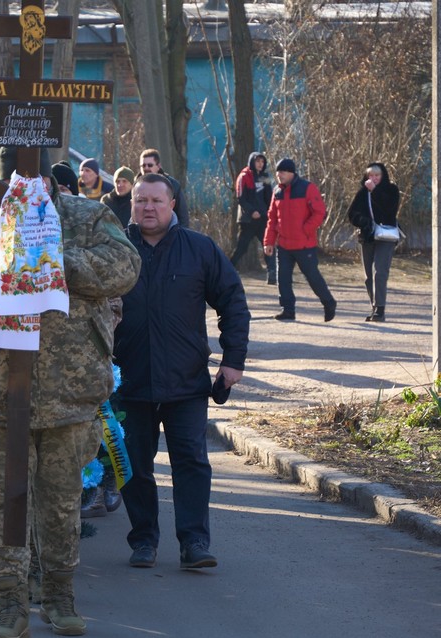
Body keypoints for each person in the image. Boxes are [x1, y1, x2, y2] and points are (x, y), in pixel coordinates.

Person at [0, 148, 141, 638]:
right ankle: (9, 605)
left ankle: (60, 594)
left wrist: (57, 261)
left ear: (50, 178)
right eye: (16, 178)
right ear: (1, 182)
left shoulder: (86, 217)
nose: (28, 186)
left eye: (36, 176)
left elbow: (125, 265)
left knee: (61, 504)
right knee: (1, 505)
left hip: (69, 390)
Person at [113, 173, 249, 571]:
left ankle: (194, 542)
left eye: (156, 200)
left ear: (173, 204)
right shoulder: (115, 250)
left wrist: (233, 360)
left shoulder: (199, 249)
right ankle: (143, 541)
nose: (148, 208)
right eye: (141, 201)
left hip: (185, 381)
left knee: (190, 461)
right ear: (132, 204)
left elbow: (233, 302)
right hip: (129, 380)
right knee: (134, 464)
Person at [263, 158, 337, 322]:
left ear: (291, 173)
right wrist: (268, 241)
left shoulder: (307, 188)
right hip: (283, 245)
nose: (279, 175)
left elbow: (319, 212)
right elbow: (272, 219)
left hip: (304, 245)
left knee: (312, 277)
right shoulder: (277, 192)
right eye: (277, 172)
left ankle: (329, 302)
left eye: (282, 172)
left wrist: (305, 229)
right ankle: (288, 310)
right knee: (283, 279)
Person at [347, 162, 400, 322]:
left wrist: (374, 191)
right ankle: (374, 306)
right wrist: (364, 222)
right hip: (368, 236)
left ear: (382, 176)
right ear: (366, 176)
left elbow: (390, 209)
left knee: (380, 272)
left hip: (386, 237)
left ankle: (380, 309)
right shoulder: (363, 193)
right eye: (371, 175)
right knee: (368, 276)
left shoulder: (391, 190)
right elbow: (351, 213)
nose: (374, 178)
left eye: (377, 175)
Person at [230, 152, 276, 285]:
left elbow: (269, 197)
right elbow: (241, 198)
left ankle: (272, 273)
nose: (260, 164)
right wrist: (251, 211)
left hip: (263, 218)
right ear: (252, 162)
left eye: (262, 162)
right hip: (248, 220)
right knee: (242, 247)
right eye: (258, 161)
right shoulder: (244, 176)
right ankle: (228, 269)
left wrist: (270, 213)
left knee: (268, 245)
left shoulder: (265, 177)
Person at [139, 149, 189, 227]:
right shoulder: (135, 186)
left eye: (150, 165)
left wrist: (180, 236)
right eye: (143, 165)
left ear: (158, 166)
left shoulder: (172, 185)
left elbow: (183, 216)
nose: (146, 168)